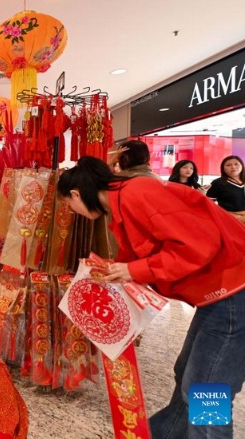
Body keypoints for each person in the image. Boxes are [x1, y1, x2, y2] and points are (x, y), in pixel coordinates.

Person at [57, 156, 245, 439]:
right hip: (219, 293)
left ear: (75, 193)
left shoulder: (136, 194)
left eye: (68, 204)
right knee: (188, 376)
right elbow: (144, 253)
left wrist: (133, 269)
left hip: (233, 290)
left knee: (207, 390)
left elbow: (198, 244)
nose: (72, 211)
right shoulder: (123, 200)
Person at [207, 155, 245, 224]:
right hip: (230, 219)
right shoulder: (218, 183)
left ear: (242, 166)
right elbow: (209, 204)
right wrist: (231, 216)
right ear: (223, 169)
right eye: (228, 165)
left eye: (236, 164)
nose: (233, 167)